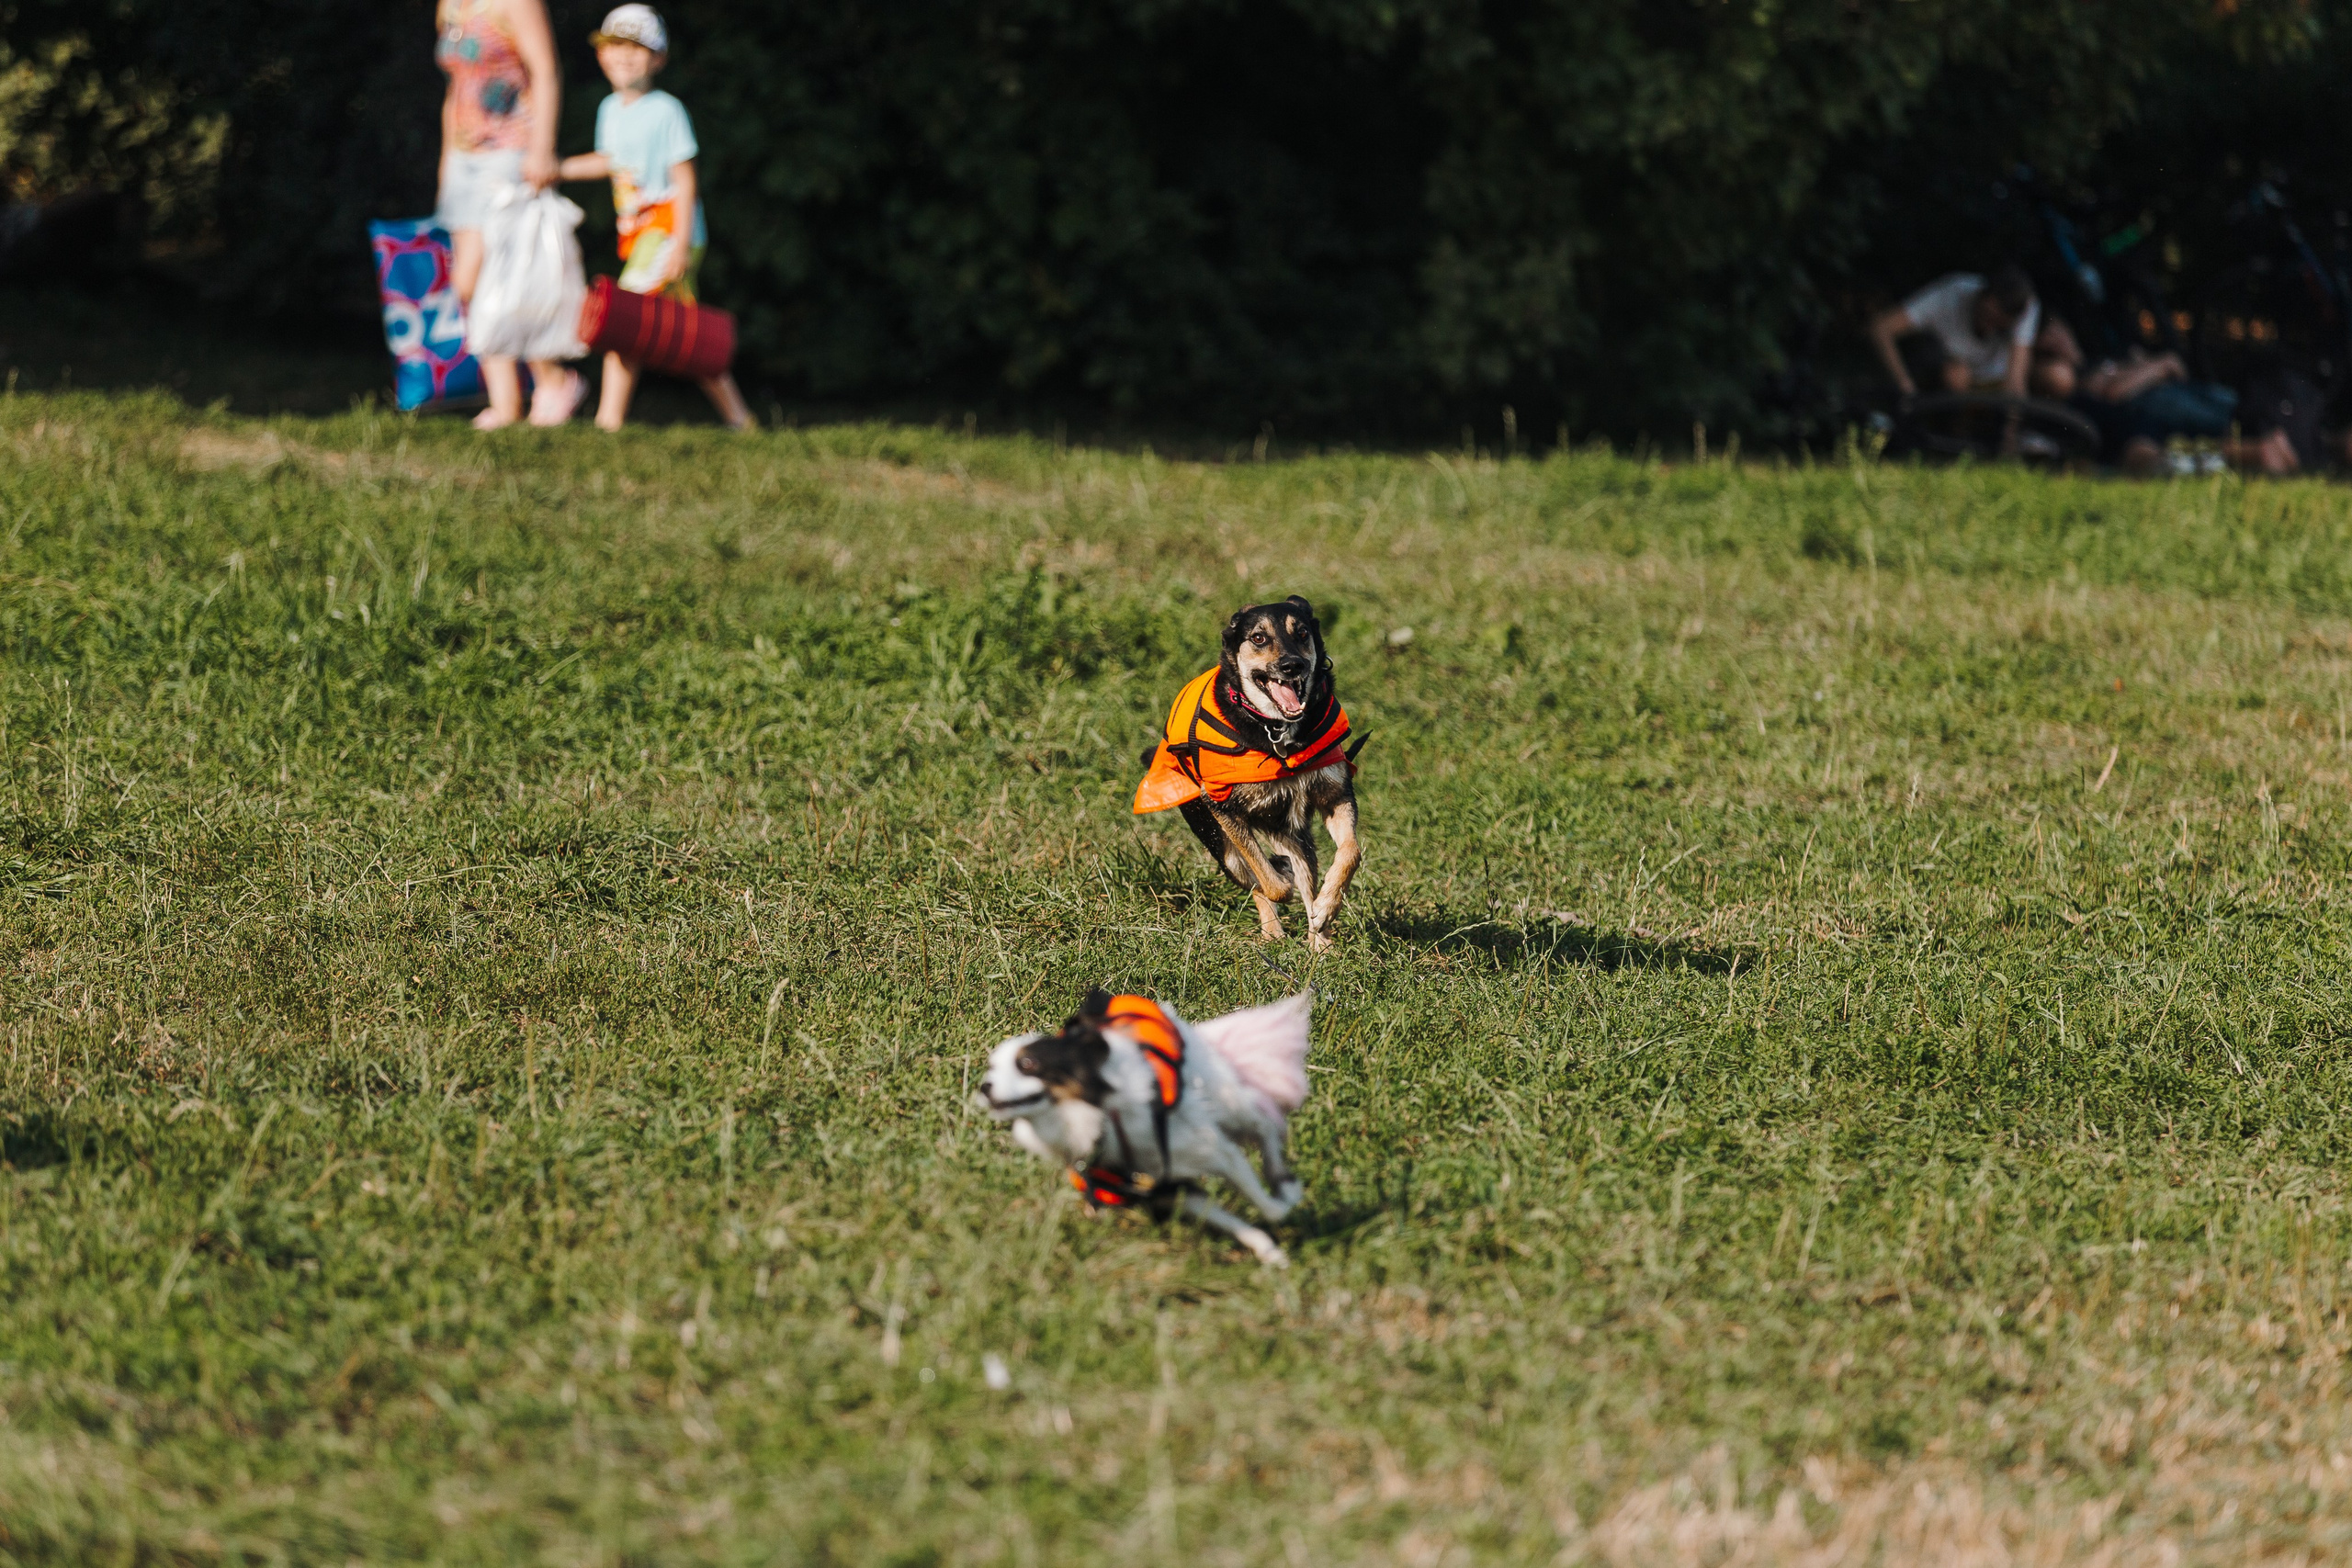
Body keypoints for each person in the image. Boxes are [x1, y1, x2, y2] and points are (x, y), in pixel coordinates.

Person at [557, 6, 753, 432]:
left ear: (658, 60)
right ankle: (741, 419)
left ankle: (608, 422)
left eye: (637, 49)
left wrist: (680, 242)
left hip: (667, 232)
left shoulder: (667, 111)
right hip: (642, 234)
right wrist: (558, 169)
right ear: (601, 56)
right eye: (616, 48)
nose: (624, 57)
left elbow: (684, 180)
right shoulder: (610, 108)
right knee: (687, 331)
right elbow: (609, 161)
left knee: (622, 318)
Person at [435, 0, 583, 430]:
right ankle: (507, 403)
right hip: (464, 153)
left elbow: (546, 72)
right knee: (469, 284)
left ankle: (554, 382)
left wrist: (542, 148)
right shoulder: (450, 5)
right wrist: (446, 161)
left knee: (505, 277)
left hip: (511, 149)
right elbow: (456, 84)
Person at [1869, 265, 2041, 402]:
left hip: (1994, 388)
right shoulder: (1953, 292)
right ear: (1981, 294)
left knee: (2057, 377)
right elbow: (1881, 328)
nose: (1989, 328)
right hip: (1948, 385)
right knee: (1956, 375)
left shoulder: (2026, 307)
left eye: (1999, 324)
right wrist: (1904, 385)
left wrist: (2010, 433)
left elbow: (2016, 382)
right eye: (1987, 316)